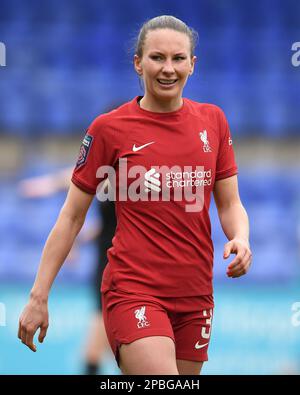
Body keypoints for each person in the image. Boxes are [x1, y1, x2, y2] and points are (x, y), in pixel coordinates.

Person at [18, 15, 252, 375]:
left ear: (193, 64)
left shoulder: (214, 122)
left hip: (195, 294)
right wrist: (39, 295)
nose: (168, 69)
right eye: (157, 57)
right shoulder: (109, 129)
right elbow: (71, 217)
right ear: (138, 63)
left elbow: (230, 202)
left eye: (178, 58)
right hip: (133, 289)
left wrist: (241, 237)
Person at [19, 171, 116, 375]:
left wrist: (51, 184)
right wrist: (77, 241)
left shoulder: (127, 176)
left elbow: (84, 178)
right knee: (103, 347)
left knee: (100, 347)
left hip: (118, 270)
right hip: (104, 265)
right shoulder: (113, 180)